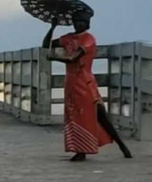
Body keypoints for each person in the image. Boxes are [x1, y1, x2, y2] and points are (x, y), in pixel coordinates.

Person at [43, 10, 132, 162]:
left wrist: (54, 58)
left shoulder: (88, 39)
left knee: (99, 115)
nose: (78, 24)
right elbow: (47, 44)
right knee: (75, 116)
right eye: (76, 21)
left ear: (87, 24)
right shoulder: (68, 38)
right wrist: (53, 27)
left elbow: (73, 58)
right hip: (71, 82)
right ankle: (81, 150)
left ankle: (121, 146)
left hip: (85, 83)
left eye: (81, 21)